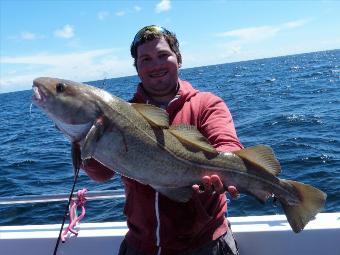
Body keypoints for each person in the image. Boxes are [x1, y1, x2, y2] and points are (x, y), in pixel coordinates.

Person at [82, 25, 243, 255]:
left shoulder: (206, 104)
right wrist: (82, 137)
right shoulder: (119, 116)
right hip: (140, 246)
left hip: (205, 244)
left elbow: (227, 145)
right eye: (145, 59)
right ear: (137, 68)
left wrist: (228, 169)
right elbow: (100, 174)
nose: (155, 65)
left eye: (163, 55)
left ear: (178, 59)